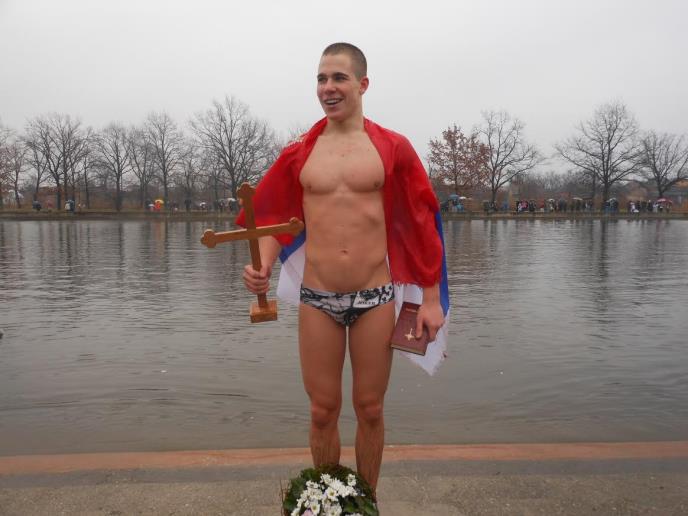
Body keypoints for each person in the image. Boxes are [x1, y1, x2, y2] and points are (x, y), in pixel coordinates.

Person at [238, 42, 448, 493]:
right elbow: (273, 218)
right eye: (321, 79)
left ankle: (366, 502)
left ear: (363, 84)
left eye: (338, 78)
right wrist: (263, 267)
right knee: (322, 411)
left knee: (370, 408)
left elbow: (420, 222)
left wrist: (430, 300)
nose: (328, 88)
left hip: (375, 297)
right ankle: (326, 500)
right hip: (317, 298)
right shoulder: (299, 151)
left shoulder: (392, 147)